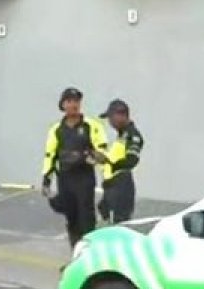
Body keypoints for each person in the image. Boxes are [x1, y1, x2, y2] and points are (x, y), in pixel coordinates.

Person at [41, 87, 108, 249]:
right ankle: (75, 256)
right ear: (63, 105)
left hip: (84, 178)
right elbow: (50, 154)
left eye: (76, 101)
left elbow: (102, 151)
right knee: (71, 218)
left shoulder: (91, 125)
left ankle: (90, 256)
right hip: (65, 179)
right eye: (70, 101)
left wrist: (88, 155)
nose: (74, 105)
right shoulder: (56, 129)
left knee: (87, 218)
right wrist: (46, 179)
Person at [96, 99, 144, 224]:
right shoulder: (121, 136)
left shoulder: (132, 135)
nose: (110, 122)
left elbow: (131, 160)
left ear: (122, 115)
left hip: (121, 186)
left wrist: (108, 161)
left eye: (111, 117)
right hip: (111, 187)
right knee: (105, 218)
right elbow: (114, 159)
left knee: (118, 224)